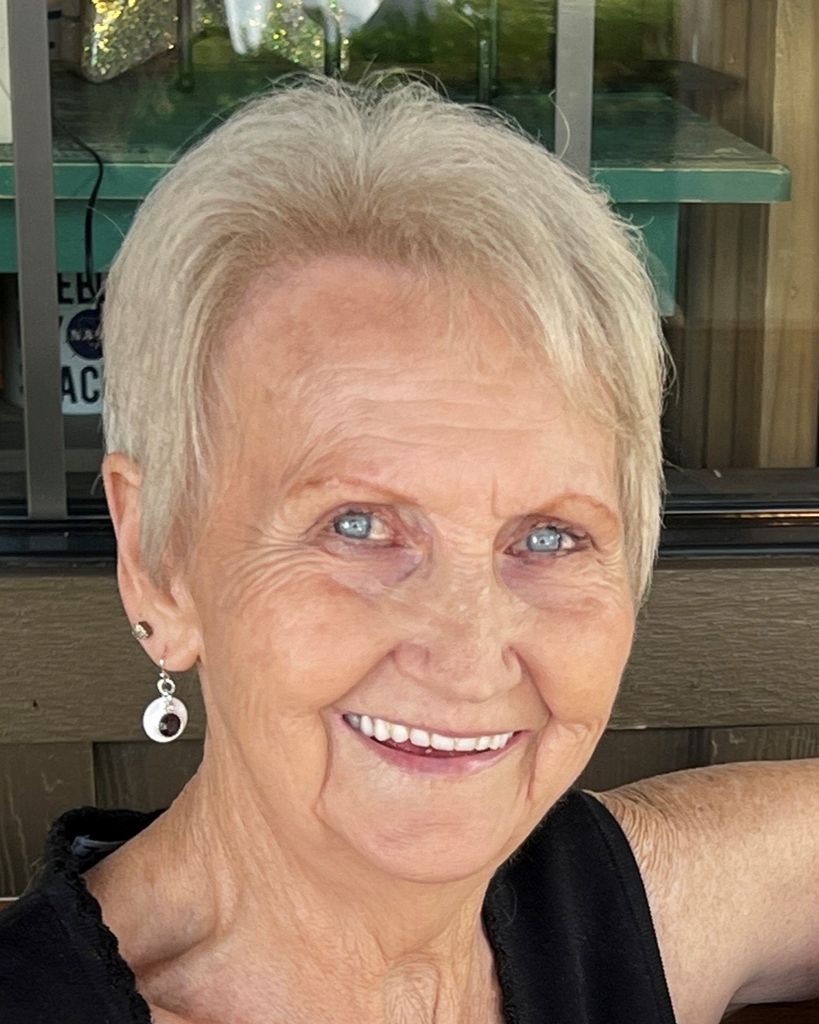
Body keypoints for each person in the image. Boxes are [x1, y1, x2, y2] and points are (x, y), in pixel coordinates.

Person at [1, 75, 817, 1024]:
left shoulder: (618, 909)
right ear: (156, 559)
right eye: (356, 525)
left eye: (548, 536)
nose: (468, 659)